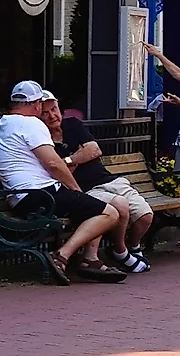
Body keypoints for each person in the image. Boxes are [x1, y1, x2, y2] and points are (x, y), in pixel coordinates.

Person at [0, 83, 126, 280]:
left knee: (92, 207)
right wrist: (75, 189)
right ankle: (62, 256)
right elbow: (53, 163)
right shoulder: (30, 123)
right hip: (41, 195)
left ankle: (90, 260)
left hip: (18, 200)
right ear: (36, 104)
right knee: (109, 213)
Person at [59, 105, 153, 273]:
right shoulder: (43, 141)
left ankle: (134, 247)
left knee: (145, 215)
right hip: (86, 190)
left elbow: (95, 150)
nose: (51, 115)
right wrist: (78, 157)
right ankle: (120, 251)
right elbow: (61, 172)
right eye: (45, 112)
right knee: (120, 205)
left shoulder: (72, 125)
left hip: (111, 180)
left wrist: (67, 160)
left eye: (54, 110)